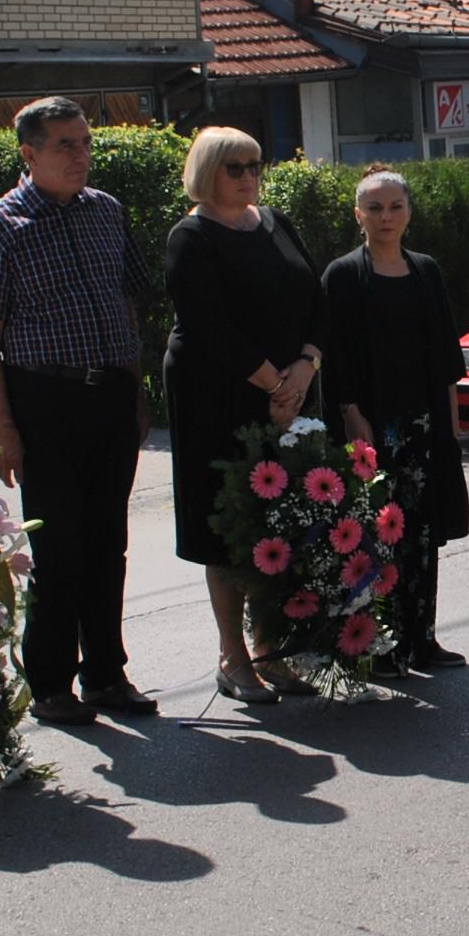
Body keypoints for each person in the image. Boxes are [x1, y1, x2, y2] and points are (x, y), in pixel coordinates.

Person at [0, 97, 160, 726]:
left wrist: (133, 390)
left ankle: (107, 674)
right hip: (43, 400)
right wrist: (2, 432)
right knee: (60, 551)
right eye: (64, 146)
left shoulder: (106, 212)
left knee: (109, 542)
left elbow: (126, 305)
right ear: (28, 153)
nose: (80, 156)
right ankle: (51, 684)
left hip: (107, 394)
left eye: (84, 143)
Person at [163, 127, 328, 701]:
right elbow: (209, 327)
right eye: (235, 167)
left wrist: (305, 366)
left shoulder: (276, 222)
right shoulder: (191, 237)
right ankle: (233, 659)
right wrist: (276, 384)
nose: (248, 177)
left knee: (279, 522)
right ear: (208, 171)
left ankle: (272, 650)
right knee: (230, 528)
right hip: (219, 398)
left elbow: (316, 300)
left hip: (289, 390)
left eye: (256, 165)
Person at [321, 169, 469, 672]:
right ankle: (380, 645)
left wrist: (451, 431)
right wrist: (351, 414)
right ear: (357, 214)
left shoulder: (425, 269)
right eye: (375, 208)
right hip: (371, 427)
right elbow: (336, 357)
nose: (386, 217)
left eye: (395, 207)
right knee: (374, 536)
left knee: (422, 535)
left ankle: (422, 638)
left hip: (424, 425)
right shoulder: (342, 274)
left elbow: (448, 358)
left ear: (409, 211)